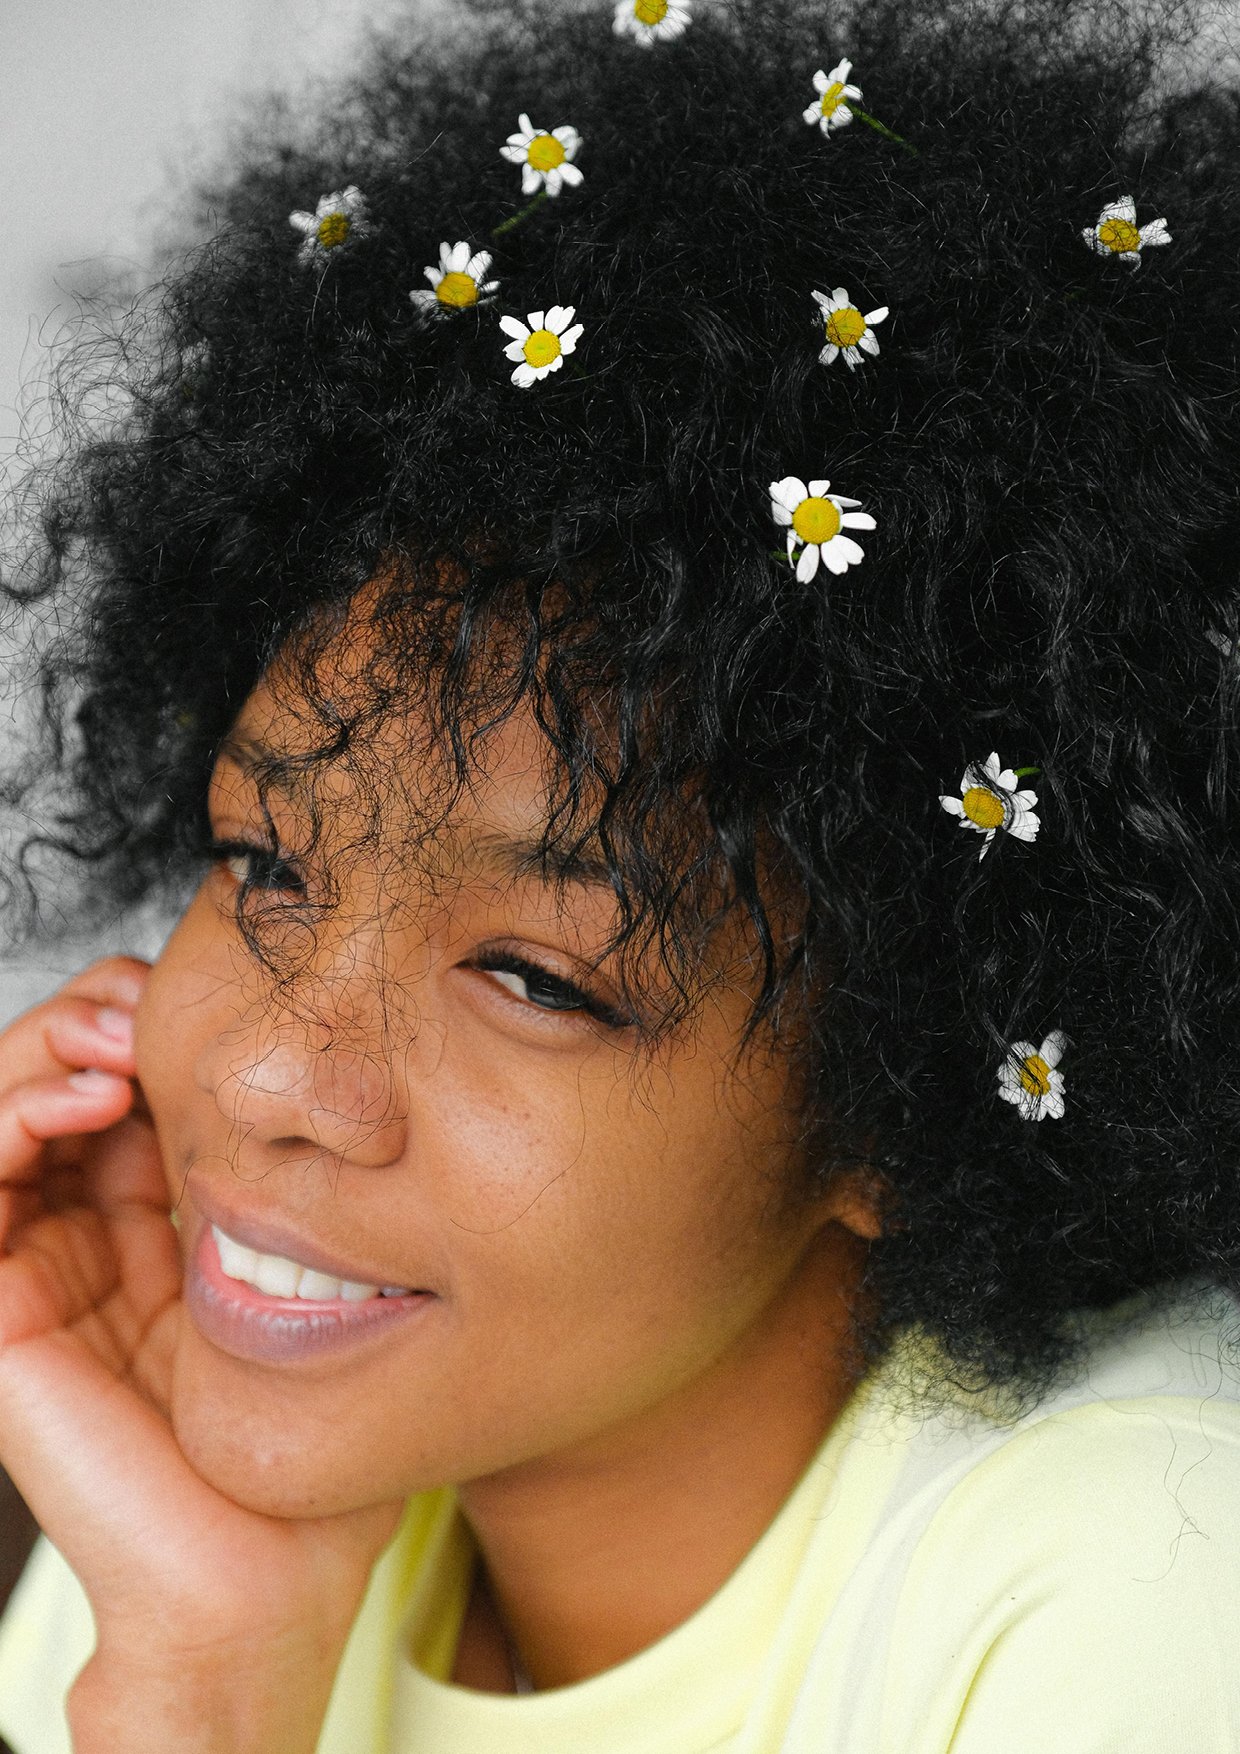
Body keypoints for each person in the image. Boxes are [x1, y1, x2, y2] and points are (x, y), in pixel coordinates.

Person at [1, 0, 1239, 1747]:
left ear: (906, 1087)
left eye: (534, 974)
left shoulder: (1141, 1586)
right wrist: (205, 1669)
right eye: (264, 863)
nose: (275, 1074)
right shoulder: (178, 1525)